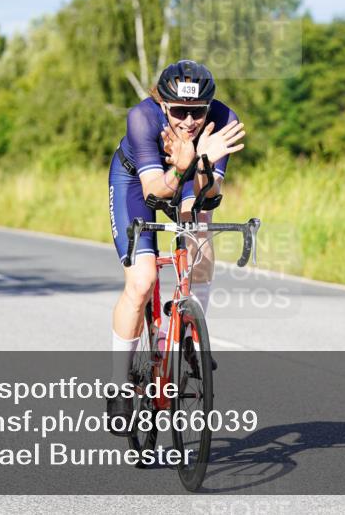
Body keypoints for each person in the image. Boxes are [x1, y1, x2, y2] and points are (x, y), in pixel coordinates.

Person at [105, 60, 245, 430]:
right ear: (162, 104)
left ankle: (189, 337)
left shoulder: (223, 120)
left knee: (199, 241)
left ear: (208, 107)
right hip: (136, 182)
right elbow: (153, 192)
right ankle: (119, 385)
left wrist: (200, 163)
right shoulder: (142, 118)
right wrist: (184, 166)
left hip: (188, 176)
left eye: (196, 112)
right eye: (179, 111)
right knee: (142, 281)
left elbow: (209, 196)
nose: (187, 121)